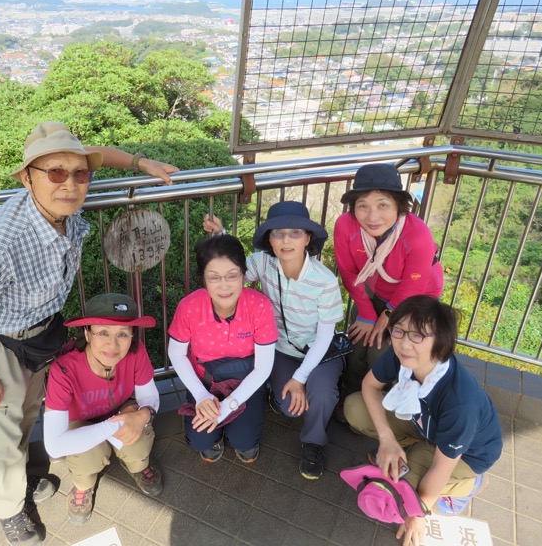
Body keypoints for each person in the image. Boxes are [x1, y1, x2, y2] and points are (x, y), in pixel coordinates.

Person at [0, 121, 177, 545]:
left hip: (43, 331)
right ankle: (8, 510)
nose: (70, 183)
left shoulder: (60, 212)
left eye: (80, 174)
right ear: (26, 177)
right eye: (55, 173)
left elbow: (89, 153)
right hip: (4, 343)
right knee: (1, 433)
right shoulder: (0, 243)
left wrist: (139, 162)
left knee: (28, 415)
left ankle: (23, 479)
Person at [344, 296, 502, 546]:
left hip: (469, 455)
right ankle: (406, 448)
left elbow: (441, 467)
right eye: (399, 330)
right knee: (355, 408)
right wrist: (387, 440)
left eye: (417, 335)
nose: (405, 343)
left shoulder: (460, 402)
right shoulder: (403, 356)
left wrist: (418, 515)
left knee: (405, 489)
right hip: (425, 425)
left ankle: (468, 485)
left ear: (441, 342)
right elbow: (369, 385)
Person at [203, 202, 344, 480]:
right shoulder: (262, 262)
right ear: (269, 239)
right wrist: (220, 237)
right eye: (278, 233)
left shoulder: (324, 281)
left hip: (321, 351)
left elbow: (326, 335)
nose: (286, 240)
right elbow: (234, 273)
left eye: (295, 233)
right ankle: (277, 393)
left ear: (307, 239)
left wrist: (301, 377)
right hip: (281, 349)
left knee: (322, 395)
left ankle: (314, 442)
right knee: (288, 407)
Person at [44, 293, 162, 525]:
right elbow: (54, 444)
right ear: (87, 333)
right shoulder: (64, 368)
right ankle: (82, 485)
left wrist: (143, 415)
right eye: (103, 333)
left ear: (132, 336)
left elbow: (150, 397)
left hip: (119, 411)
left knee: (138, 439)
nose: (113, 344)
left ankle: (138, 466)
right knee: (86, 454)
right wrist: (117, 424)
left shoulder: (136, 354)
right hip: (83, 423)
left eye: (122, 334)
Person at [334, 163, 443, 401]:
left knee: (381, 352)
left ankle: (376, 403)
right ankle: (347, 396)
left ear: (399, 206)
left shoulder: (417, 235)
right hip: (373, 291)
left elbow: (412, 287)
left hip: (416, 300)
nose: (372, 217)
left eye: (383, 205)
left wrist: (386, 316)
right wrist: (366, 313)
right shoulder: (346, 225)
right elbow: (349, 272)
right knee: (357, 344)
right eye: (362, 206)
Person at [168, 234, 278, 464]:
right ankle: (214, 436)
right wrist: (200, 396)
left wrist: (228, 406)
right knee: (201, 441)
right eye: (214, 277)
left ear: (244, 276)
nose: (224, 286)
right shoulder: (189, 306)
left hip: (247, 378)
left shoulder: (259, 306)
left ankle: (238, 429)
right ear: (203, 279)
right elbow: (176, 353)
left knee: (245, 442)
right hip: (205, 380)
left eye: (232, 276)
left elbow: (264, 367)